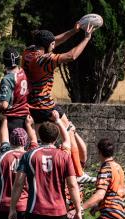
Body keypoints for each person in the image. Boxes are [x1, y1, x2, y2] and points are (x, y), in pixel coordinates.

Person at [22, 24, 94, 179]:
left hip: (31, 103)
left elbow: (53, 40)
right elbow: (71, 56)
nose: (54, 45)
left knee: (38, 141)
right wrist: (86, 38)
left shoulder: (28, 52)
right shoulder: (44, 60)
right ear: (48, 46)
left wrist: (73, 31)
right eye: (53, 44)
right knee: (69, 131)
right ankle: (78, 173)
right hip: (44, 104)